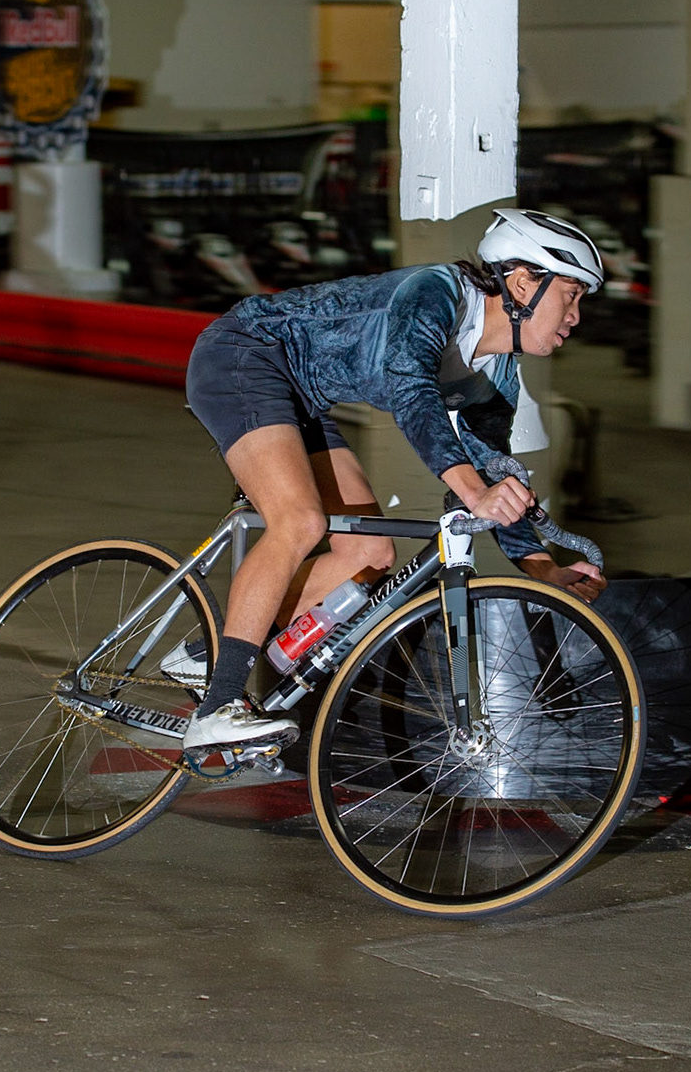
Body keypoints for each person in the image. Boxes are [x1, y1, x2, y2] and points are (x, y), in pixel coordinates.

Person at [178, 208, 608, 754]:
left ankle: (207, 654)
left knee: (370, 553)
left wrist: (543, 568)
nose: (576, 316)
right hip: (244, 353)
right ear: (523, 283)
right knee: (300, 521)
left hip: (301, 396)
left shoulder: (497, 372)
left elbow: (490, 471)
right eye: (571, 295)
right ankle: (216, 710)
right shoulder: (437, 293)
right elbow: (411, 391)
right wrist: (475, 491)